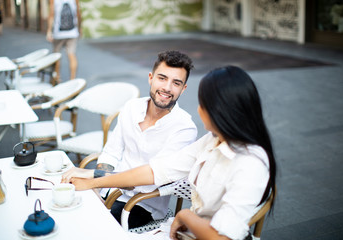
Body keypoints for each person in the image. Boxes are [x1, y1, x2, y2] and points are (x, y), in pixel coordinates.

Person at [62, 65, 276, 240]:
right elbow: (156, 171)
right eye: (162, 78)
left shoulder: (251, 163)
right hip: (185, 229)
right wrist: (93, 182)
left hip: (180, 224)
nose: (198, 109)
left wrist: (185, 215)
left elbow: (221, 238)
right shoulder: (213, 140)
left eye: (202, 103)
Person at [63, 50, 197, 229]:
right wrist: (98, 189)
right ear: (151, 78)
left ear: (183, 88)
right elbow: (111, 152)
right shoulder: (132, 107)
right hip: (107, 189)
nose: (167, 88)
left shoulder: (185, 128)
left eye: (176, 83)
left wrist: (94, 177)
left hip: (141, 204)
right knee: (65, 211)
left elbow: (148, 181)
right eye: (162, 78)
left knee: (89, 228)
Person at [46, 0, 81, 82]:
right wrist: (79, 27)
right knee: (71, 55)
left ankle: (57, 78)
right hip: (72, 32)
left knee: (57, 56)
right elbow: (78, 13)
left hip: (59, 33)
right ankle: (73, 79)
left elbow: (51, 14)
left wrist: (49, 31)